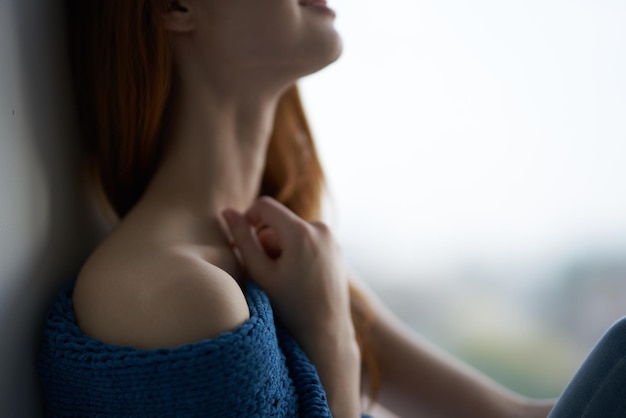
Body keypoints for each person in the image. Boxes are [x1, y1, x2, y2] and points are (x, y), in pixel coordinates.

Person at [37, 0, 625, 417]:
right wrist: (329, 334)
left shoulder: (285, 261)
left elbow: (513, 417)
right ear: (176, 5)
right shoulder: (168, 291)